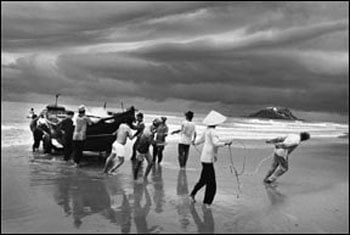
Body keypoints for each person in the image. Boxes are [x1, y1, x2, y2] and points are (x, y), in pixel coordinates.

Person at [189, 110, 232, 209]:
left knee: (204, 180)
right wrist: (226, 143)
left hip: (204, 158)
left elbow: (200, 140)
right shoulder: (213, 131)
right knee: (212, 183)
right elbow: (216, 143)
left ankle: (192, 194)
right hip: (208, 159)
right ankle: (207, 202)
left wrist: (194, 143)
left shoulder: (207, 130)